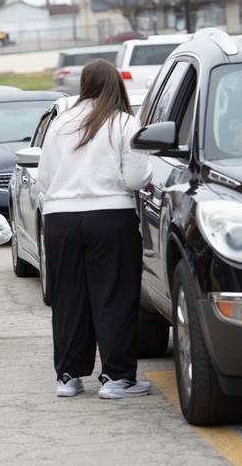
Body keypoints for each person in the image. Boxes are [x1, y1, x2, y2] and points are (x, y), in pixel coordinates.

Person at [37, 58, 152, 399]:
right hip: (111, 216)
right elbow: (135, 178)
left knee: (69, 297)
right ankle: (117, 378)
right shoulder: (123, 123)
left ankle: (69, 378)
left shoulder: (61, 123)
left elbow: (43, 177)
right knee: (114, 296)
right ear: (116, 82)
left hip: (60, 219)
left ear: (83, 84)